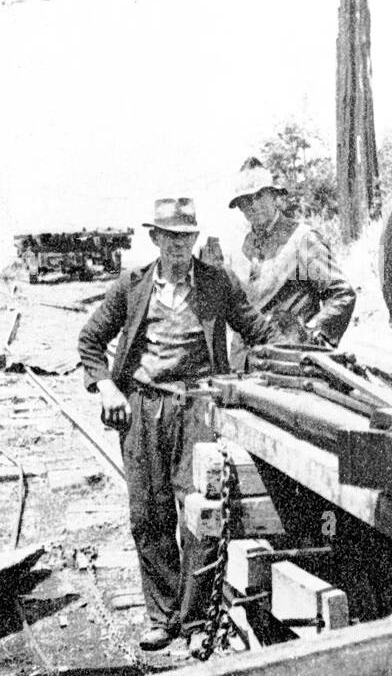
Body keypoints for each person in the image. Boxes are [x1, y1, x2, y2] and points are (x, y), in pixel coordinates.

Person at [77, 197, 278, 651]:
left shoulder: (216, 283)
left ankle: (195, 623)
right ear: (155, 238)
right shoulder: (131, 286)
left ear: (194, 239)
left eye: (187, 237)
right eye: (171, 237)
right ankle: (161, 615)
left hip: (197, 411)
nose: (179, 247)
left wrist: (300, 350)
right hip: (143, 410)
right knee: (147, 515)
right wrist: (106, 387)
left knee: (201, 515)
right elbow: (90, 340)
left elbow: (256, 329)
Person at [226, 157, 356, 362]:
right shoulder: (239, 250)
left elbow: (342, 294)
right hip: (242, 367)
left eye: (259, 195)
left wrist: (313, 336)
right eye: (244, 201)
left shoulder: (301, 239)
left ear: (274, 196)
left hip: (287, 365)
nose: (253, 205)